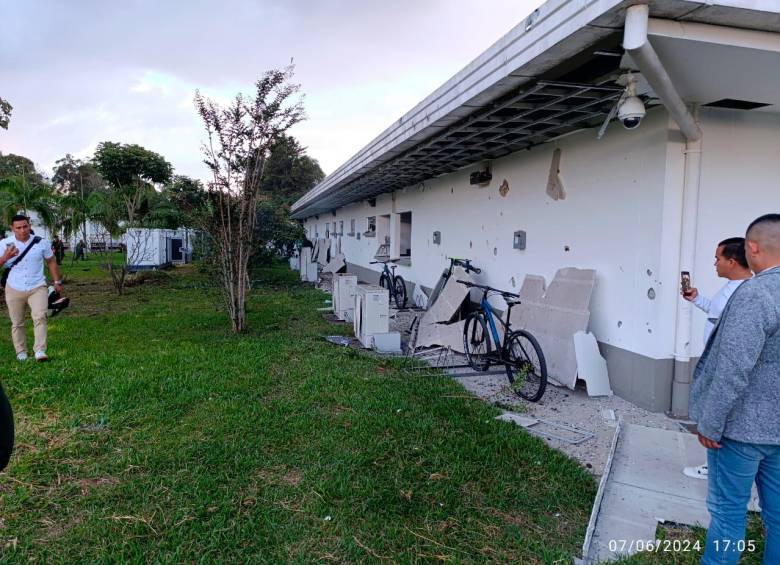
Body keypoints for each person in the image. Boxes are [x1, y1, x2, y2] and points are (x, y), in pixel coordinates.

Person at [689, 213, 780, 565]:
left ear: (753, 248)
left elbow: (733, 368)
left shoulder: (755, 294)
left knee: (728, 515)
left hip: (742, 430)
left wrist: (711, 423)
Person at [681, 237, 752, 480]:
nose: (714, 264)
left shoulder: (746, 292)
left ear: (732, 262)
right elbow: (717, 314)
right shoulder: (732, 286)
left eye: (718, 259)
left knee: (718, 416)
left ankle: (716, 467)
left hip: (725, 364)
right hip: (717, 361)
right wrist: (696, 299)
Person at [0, 214, 62, 362]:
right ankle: (21, 352)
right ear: (12, 229)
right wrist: (5, 258)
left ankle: (40, 350)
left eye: (25, 226)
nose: (22, 230)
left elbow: (51, 261)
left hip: (37, 286)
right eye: (18, 228)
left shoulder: (41, 243)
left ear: (30, 226)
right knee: (17, 322)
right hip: (14, 287)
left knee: (40, 317)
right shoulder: (4, 244)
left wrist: (57, 281)